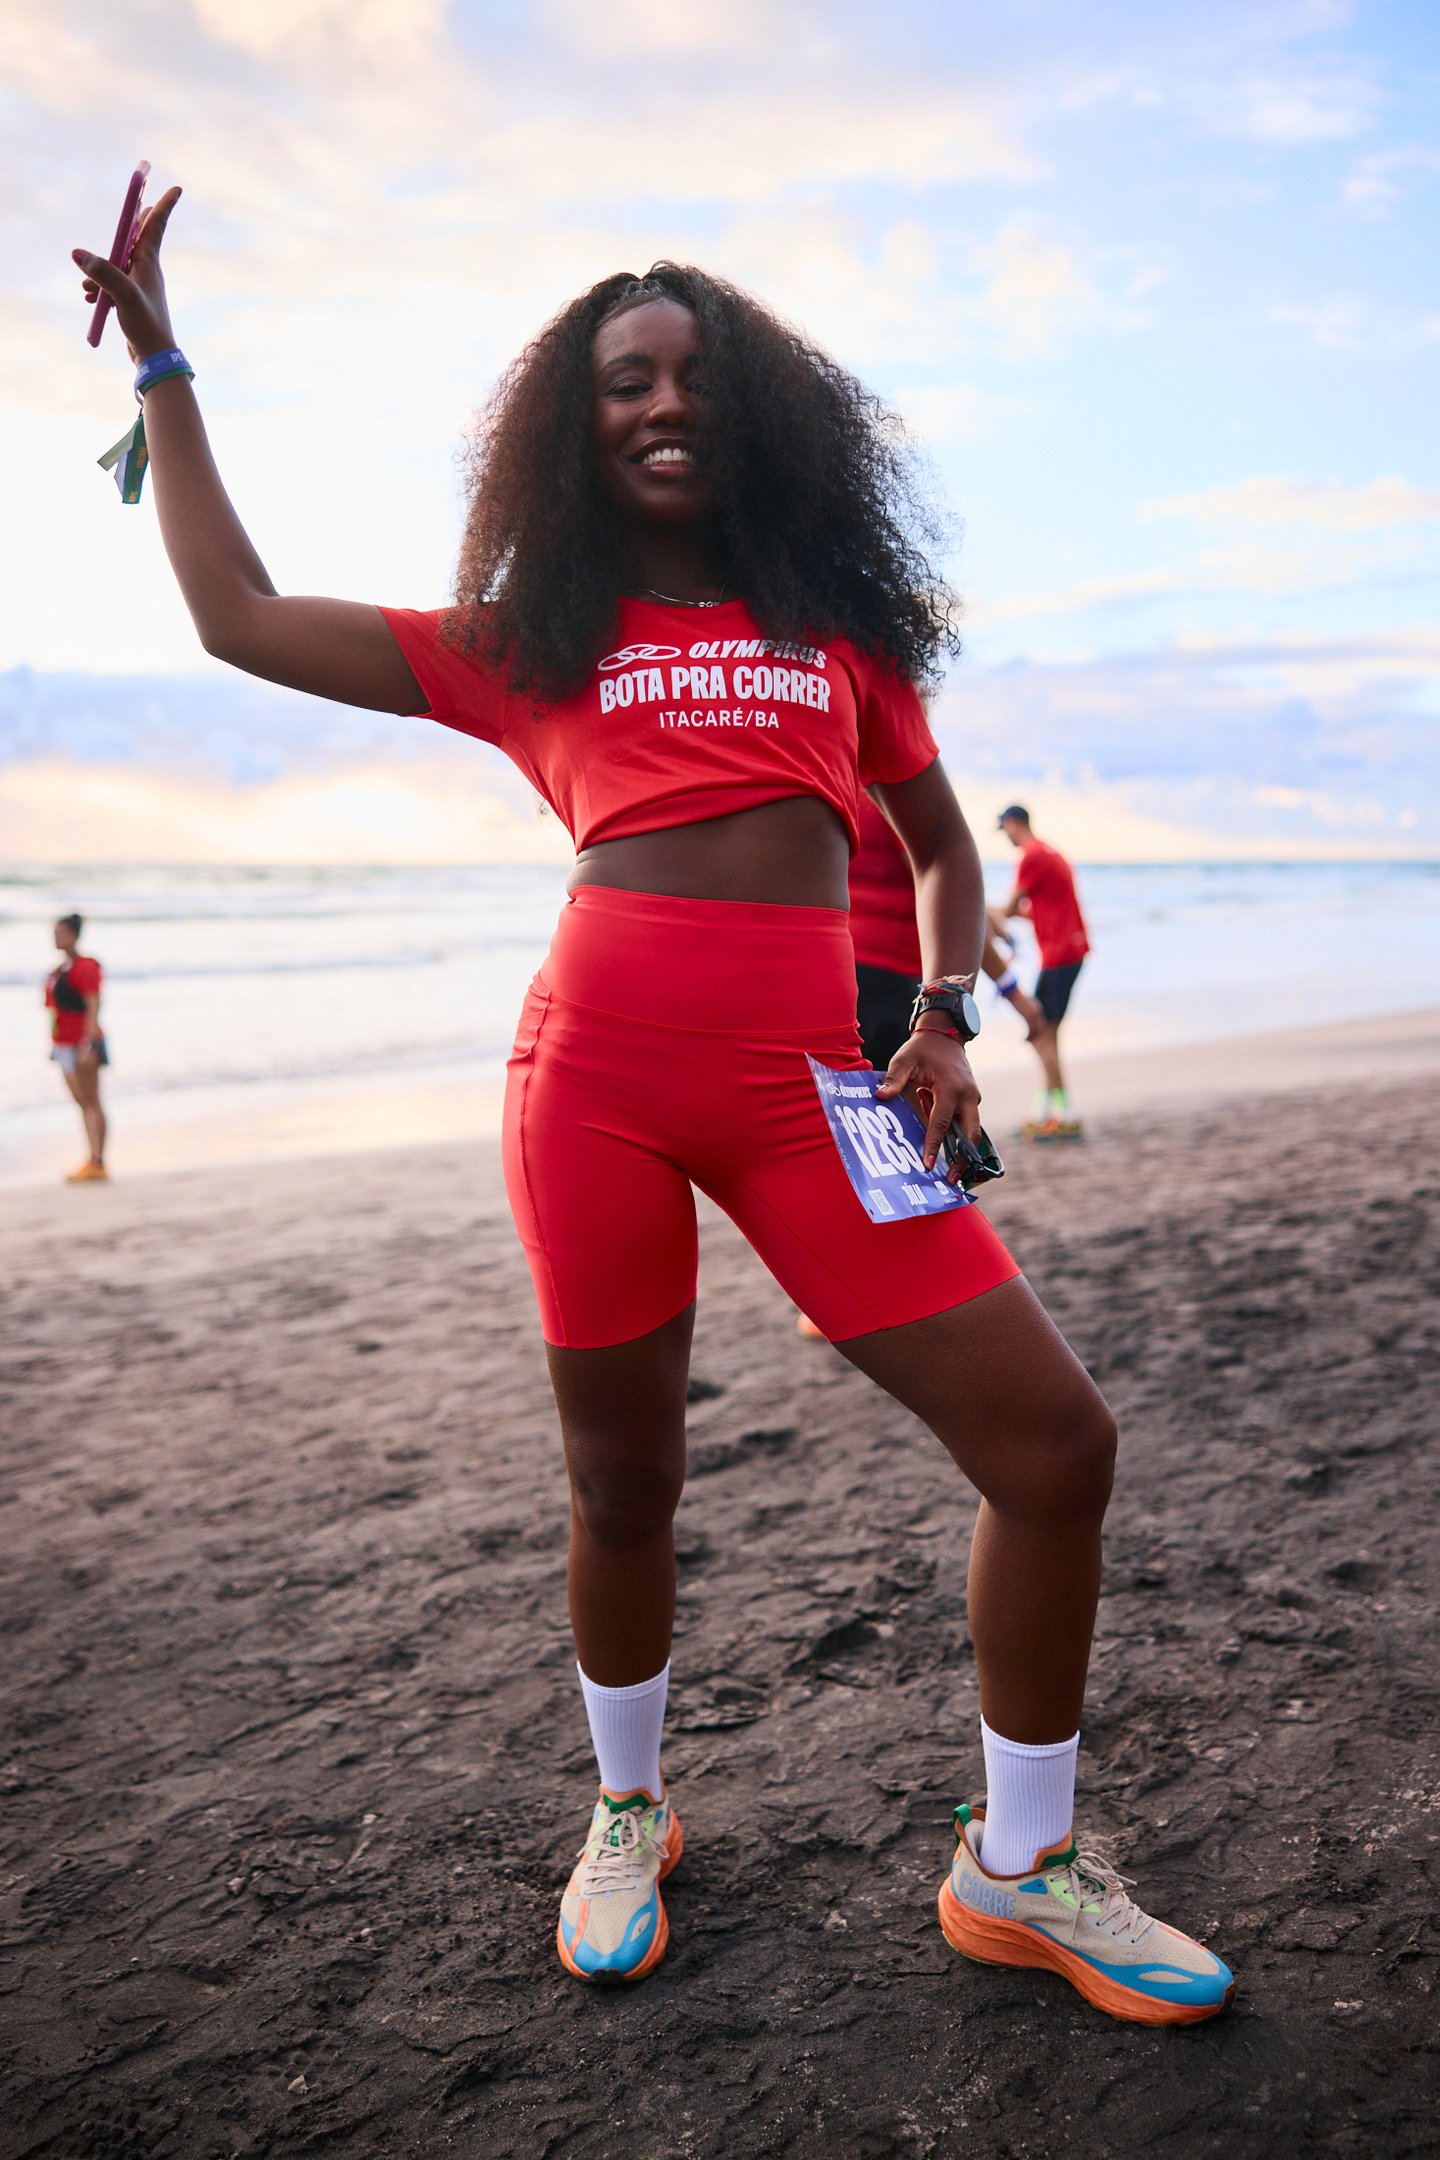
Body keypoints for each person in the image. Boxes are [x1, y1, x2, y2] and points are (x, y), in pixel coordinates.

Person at [71, 193, 1232, 2024]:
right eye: (625, 380)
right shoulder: (529, 639)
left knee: (1055, 1449)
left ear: (756, 414)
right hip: (590, 1090)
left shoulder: (838, 640)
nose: (662, 401)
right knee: (627, 1484)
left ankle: (1023, 1870)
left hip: (816, 1097)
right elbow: (236, 615)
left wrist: (942, 1024)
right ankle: (628, 1808)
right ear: (575, 425)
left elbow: (940, 852)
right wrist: (165, 363)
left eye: (693, 375)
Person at [994, 806, 1090, 1142]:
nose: (1004, 835)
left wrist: (980, 914)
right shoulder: (1050, 852)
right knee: (1047, 1033)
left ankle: (1062, 1112)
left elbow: (1007, 910)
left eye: (1003, 828)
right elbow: (1039, 909)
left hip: (1059, 955)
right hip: (1070, 950)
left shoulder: (1030, 856)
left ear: (1012, 823)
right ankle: (1051, 1110)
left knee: (1040, 1032)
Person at [45, 912, 109, 1182]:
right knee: (82, 1103)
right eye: (55, 932)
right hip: (62, 1043)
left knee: (92, 1101)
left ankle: (97, 1160)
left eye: (61, 932)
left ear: (73, 934)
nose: (56, 937)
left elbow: (93, 1004)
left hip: (82, 1044)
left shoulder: (85, 967)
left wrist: (88, 1043)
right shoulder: (59, 971)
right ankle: (91, 1158)